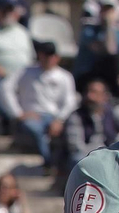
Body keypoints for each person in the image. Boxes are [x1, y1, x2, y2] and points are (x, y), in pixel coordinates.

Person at [14, 41, 80, 171]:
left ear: (57, 57)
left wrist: (59, 119)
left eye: (51, 56)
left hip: (55, 117)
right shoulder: (26, 72)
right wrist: (17, 112)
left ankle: (59, 167)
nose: (48, 59)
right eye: (45, 55)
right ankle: (49, 162)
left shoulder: (65, 76)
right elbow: (5, 89)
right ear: (40, 56)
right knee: (35, 129)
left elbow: (70, 102)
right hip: (33, 116)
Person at [62, 78, 119, 175]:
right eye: (87, 92)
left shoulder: (112, 114)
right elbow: (75, 146)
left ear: (105, 96)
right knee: (78, 160)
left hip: (111, 154)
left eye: (94, 93)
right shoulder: (77, 116)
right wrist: (98, 158)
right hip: (87, 155)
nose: (89, 96)